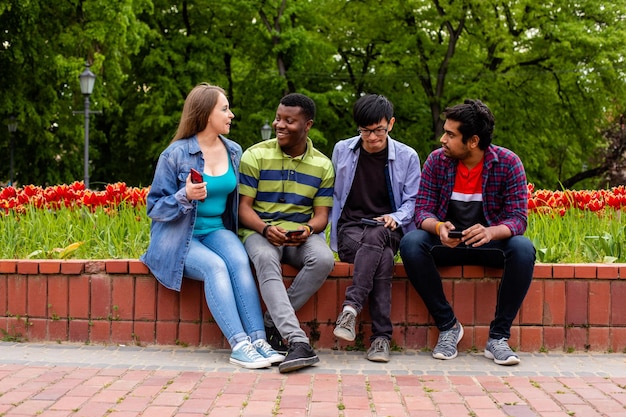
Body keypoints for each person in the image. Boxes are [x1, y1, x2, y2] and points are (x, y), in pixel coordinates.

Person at [140, 83, 284, 370]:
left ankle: (258, 340)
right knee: (215, 267)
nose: (231, 115)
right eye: (225, 109)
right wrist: (185, 195)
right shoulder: (175, 154)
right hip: (179, 235)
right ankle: (240, 344)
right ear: (206, 114)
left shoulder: (233, 151)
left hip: (217, 229)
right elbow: (154, 207)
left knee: (239, 260)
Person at [399, 99, 536, 366]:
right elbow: (422, 212)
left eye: (450, 135)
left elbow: (518, 219)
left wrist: (491, 232)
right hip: (447, 243)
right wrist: (438, 227)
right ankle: (448, 326)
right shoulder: (437, 161)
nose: (443, 139)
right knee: (411, 243)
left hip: (488, 245)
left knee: (523, 249)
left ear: (473, 141)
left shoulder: (508, 163)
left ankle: (498, 338)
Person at [238, 93, 335, 373]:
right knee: (267, 260)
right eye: (278, 118)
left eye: (289, 121)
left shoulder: (322, 165)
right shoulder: (255, 155)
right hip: (259, 230)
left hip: (300, 236)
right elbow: (243, 209)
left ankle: (271, 322)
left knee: (324, 259)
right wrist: (266, 229)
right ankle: (297, 340)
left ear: (308, 126)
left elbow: (321, 217)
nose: (279, 124)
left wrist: (307, 229)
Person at [330, 94, 421, 362]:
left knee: (380, 233)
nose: (372, 137)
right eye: (365, 131)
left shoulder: (407, 156)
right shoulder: (342, 150)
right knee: (381, 256)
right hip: (351, 231)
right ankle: (381, 339)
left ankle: (350, 309)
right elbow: (333, 194)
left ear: (390, 124)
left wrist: (396, 216)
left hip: (390, 228)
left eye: (378, 130)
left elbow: (413, 201)